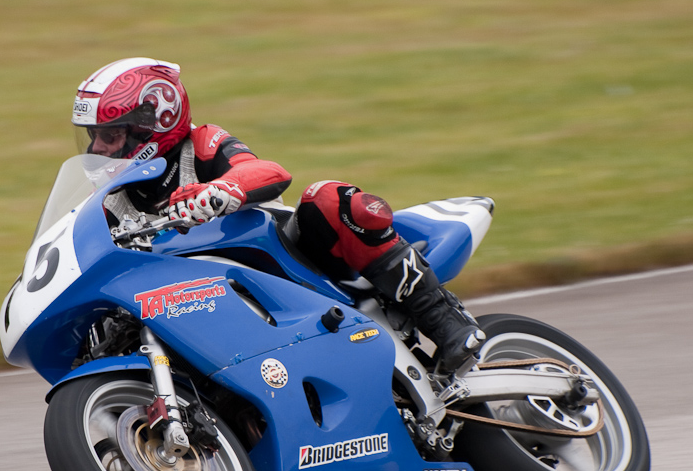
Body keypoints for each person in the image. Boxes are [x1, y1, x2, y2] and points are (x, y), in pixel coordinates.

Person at [71, 57, 484, 372]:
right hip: (201, 305)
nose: (99, 150)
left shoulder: (201, 144)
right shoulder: (110, 201)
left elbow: (268, 171)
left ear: (153, 123)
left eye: (111, 136)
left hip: (287, 264)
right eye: (95, 138)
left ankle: (446, 323)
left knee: (330, 198)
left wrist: (219, 191)